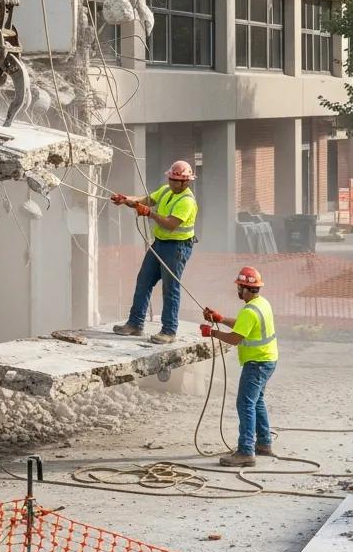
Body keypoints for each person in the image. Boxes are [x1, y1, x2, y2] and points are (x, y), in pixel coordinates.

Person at [109, 161, 198, 344]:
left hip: (177, 247)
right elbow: (146, 200)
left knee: (170, 289)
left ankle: (169, 331)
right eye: (171, 179)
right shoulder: (166, 190)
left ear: (186, 182)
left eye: (176, 180)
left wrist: (149, 213)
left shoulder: (187, 202)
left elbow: (170, 224)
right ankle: (135, 324)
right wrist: (126, 200)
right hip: (160, 244)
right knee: (144, 280)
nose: (172, 183)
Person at [201, 266, 278, 468]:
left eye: (239, 288)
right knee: (257, 401)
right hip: (268, 360)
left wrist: (212, 332)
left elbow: (235, 338)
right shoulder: (261, 304)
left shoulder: (249, 311)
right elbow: (243, 324)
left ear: (244, 289)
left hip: (257, 363)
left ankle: (245, 451)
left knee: (245, 404)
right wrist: (220, 319)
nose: (238, 292)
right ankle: (264, 443)